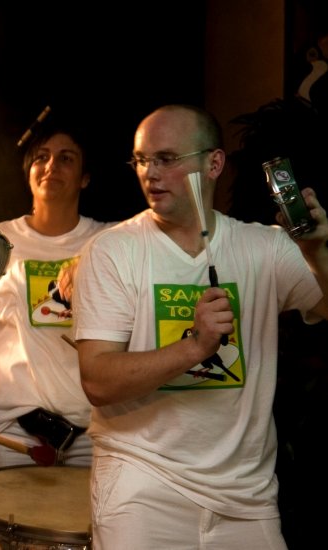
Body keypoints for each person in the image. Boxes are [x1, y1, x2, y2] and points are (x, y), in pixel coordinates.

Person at [72, 104, 328, 549]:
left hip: (245, 494)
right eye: (141, 160)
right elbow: (97, 380)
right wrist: (194, 347)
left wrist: (317, 253)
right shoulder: (112, 250)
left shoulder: (265, 247)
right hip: (143, 482)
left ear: (214, 163)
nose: (150, 173)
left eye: (166, 159)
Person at [0, 117, 114, 480]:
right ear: (29, 172)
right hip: (8, 427)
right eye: (41, 157)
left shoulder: (111, 241)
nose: (51, 166)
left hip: (92, 431)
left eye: (66, 158)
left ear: (85, 178)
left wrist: (86, 263)